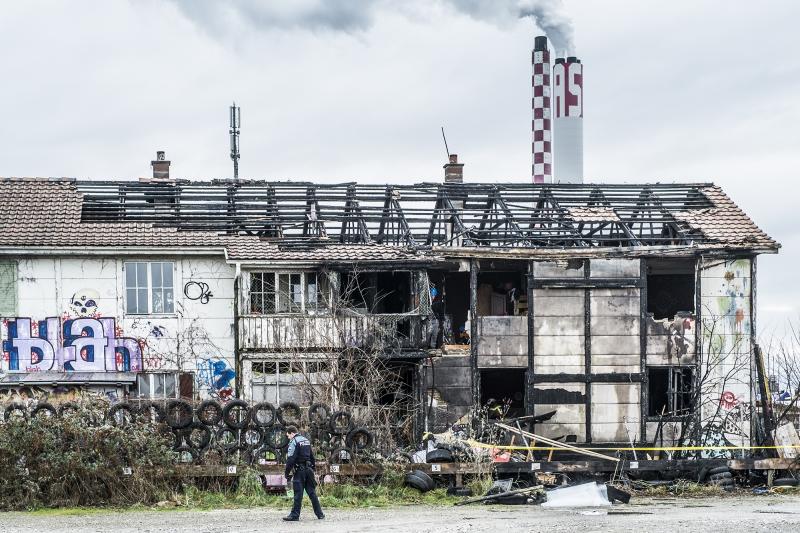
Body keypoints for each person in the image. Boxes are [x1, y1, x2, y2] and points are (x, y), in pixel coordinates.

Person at [283, 426, 325, 522]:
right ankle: (320, 514)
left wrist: (286, 473)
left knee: (298, 493)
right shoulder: (306, 440)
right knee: (312, 492)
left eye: (288, 436)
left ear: (292, 433)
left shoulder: (294, 441)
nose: (288, 438)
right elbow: (312, 457)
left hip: (300, 471)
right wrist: (312, 469)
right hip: (309, 470)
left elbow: (290, 459)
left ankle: (294, 515)